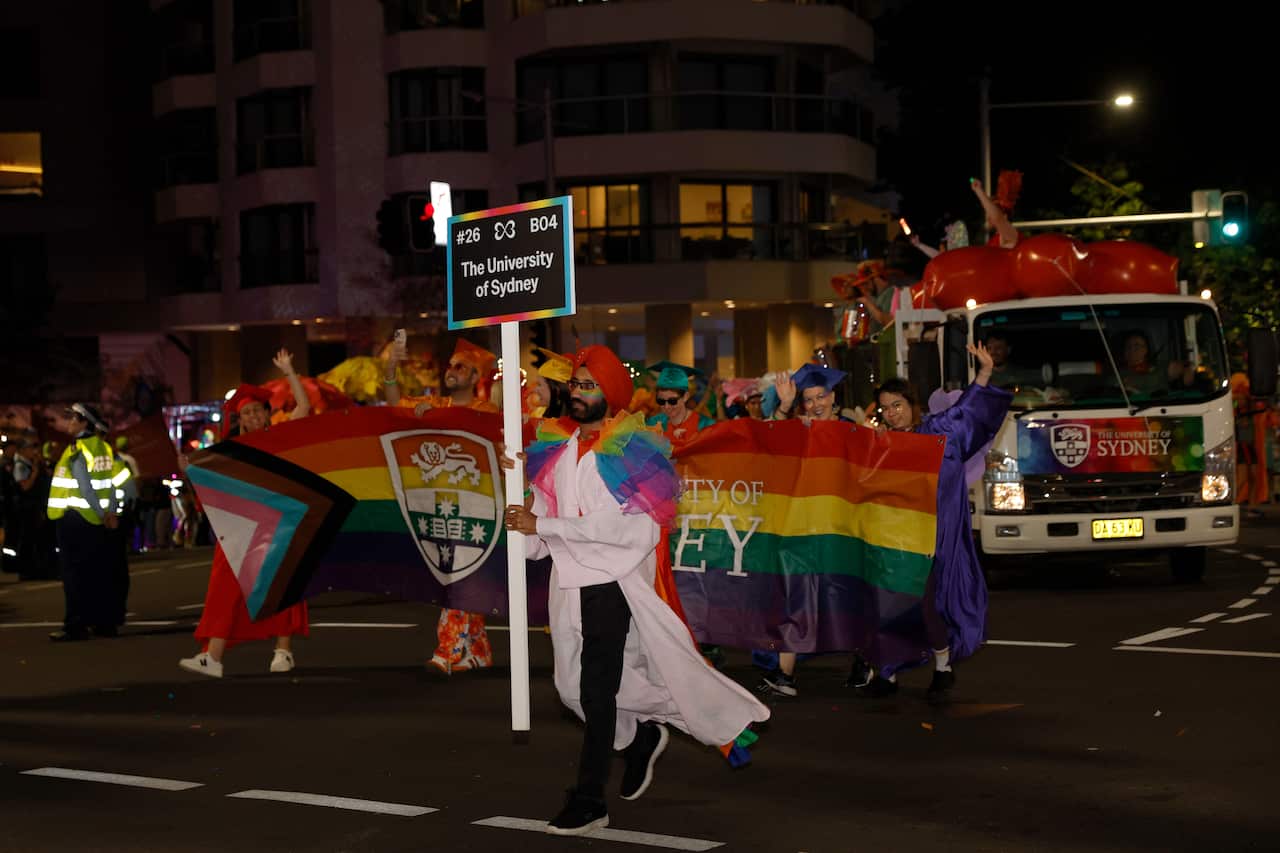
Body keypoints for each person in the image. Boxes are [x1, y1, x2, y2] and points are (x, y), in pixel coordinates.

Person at [504, 344, 769, 836]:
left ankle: (588, 801)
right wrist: (519, 510)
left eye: (588, 385)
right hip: (568, 586)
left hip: (613, 585)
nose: (577, 393)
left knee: (597, 690)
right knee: (571, 691)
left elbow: (637, 534)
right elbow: (536, 534)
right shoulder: (554, 450)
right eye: (576, 384)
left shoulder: (633, 453)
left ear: (612, 394)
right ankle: (640, 736)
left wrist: (547, 524)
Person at [853, 342, 1012, 703]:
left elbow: (968, 412)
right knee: (887, 604)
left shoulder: (937, 433)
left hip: (930, 538)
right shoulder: (880, 444)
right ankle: (888, 671)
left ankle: (942, 666)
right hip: (891, 540)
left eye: (898, 405)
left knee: (926, 604)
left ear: (912, 405)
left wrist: (984, 373)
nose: (892, 413)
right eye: (886, 408)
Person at [179, 349, 311, 678]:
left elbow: (305, 407)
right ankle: (214, 656)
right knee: (225, 585)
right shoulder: (230, 452)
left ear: (267, 415)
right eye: (246, 413)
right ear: (239, 420)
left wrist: (289, 371)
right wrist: (189, 470)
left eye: (256, 411)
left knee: (283, 585)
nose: (252, 417)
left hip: (279, 524)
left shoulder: (279, 437)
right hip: (240, 527)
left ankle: (284, 651)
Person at [390, 337, 501, 674]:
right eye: (450, 365)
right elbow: (394, 404)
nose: (451, 371)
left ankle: (447, 650)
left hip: (478, 509)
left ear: (474, 378)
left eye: (460, 367)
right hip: (441, 510)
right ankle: (478, 652)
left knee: (460, 575)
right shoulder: (433, 405)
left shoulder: (487, 412)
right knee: (458, 576)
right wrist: (391, 365)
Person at [758, 363, 852, 697]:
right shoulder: (798, 428)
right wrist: (784, 407)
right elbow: (769, 442)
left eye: (821, 396)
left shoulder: (853, 430)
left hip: (843, 529)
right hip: (800, 527)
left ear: (833, 396)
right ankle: (785, 675)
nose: (815, 404)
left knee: (850, 597)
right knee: (794, 595)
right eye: (808, 399)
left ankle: (866, 661)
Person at [46, 403, 119, 642]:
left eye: (73, 418)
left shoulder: (77, 448)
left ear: (84, 422)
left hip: (75, 517)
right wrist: (110, 512)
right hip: (96, 520)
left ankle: (75, 626)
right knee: (98, 572)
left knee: (74, 574)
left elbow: (86, 487)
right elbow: (108, 484)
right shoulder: (103, 448)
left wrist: (101, 512)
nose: (69, 422)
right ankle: (103, 623)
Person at [645, 361, 715, 443]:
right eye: (661, 401)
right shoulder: (653, 424)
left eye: (672, 401)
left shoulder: (704, 425)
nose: (666, 406)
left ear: (685, 397)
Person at [971, 172, 1022, 249]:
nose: (987, 217)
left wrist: (979, 191)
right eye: (987, 213)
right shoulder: (994, 239)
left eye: (990, 212)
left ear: (1005, 216)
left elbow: (997, 218)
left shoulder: (1011, 234)